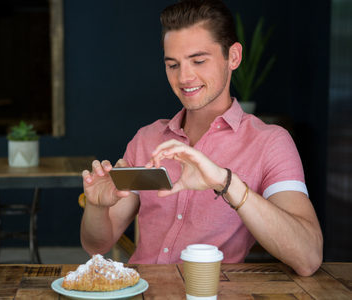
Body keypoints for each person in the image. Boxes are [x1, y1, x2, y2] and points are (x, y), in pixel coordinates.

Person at [80, 0, 323, 276]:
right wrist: (97, 207)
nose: (184, 77)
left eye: (198, 61)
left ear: (233, 57)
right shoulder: (147, 139)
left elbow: (308, 257)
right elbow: (96, 244)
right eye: (173, 64)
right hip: (140, 291)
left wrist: (226, 182)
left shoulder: (270, 143)